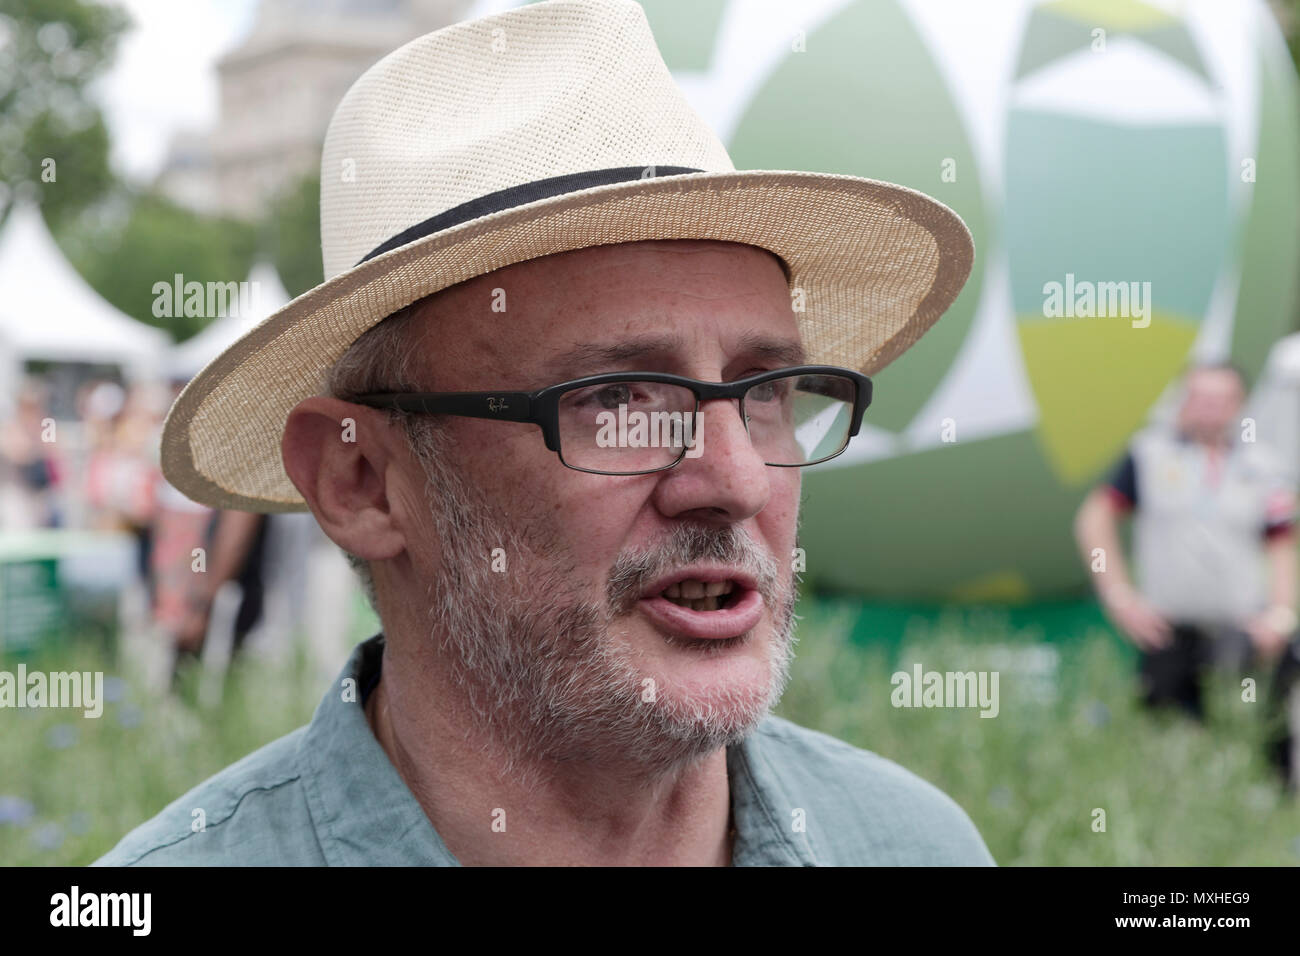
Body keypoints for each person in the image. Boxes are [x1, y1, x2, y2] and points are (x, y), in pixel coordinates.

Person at [95, 0, 992, 866]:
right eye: (616, 399)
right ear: (361, 481)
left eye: (766, 391)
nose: (736, 480)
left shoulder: (916, 846)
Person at [1074, 362, 1300, 779]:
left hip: (1244, 632)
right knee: (1166, 747)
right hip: (1169, 631)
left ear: (1239, 404)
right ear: (1185, 400)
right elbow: (1095, 517)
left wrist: (1281, 614)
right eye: (1201, 398)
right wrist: (1119, 595)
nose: (1210, 409)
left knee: (1261, 739)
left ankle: (1267, 817)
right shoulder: (1149, 455)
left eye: (1221, 399)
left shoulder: (1264, 466)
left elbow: (1282, 542)